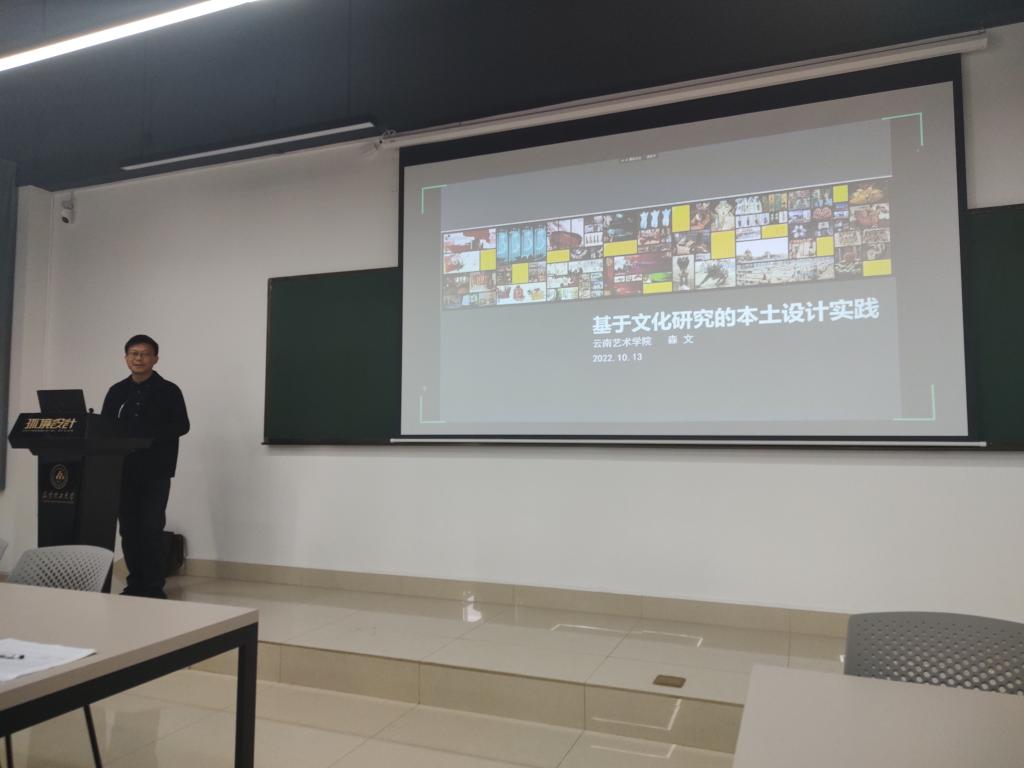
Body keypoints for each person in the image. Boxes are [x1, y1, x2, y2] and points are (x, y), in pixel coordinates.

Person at [101, 335, 189, 598]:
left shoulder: (169, 390)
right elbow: (105, 427)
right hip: (123, 470)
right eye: (134, 354)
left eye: (145, 354)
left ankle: (152, 586)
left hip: (155, 471)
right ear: (126, 358)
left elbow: (182, 425)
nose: (138, 359)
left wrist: (149, 435)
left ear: (155, 359)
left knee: (150, 528)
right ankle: (135, 583)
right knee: (128, 530)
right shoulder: (117, 391)